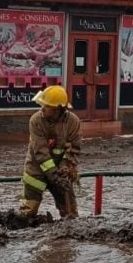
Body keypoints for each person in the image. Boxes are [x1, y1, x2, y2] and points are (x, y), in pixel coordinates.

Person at [20, 85, 81, 219]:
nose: (42, 108)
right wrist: (54, 176)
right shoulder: (36, 120)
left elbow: (74, 149)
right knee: (28, 212)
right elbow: (41, 152)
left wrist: (64, 169)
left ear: (58, 109)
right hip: (36, 170)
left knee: (70, 213)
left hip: (61, 171)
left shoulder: (73, 122)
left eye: (46, 106)